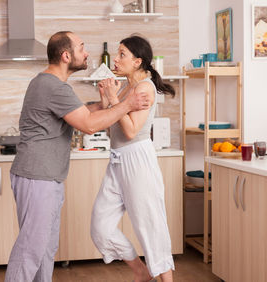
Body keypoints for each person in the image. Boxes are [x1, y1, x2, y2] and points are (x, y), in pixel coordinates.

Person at [4, 31, 151, 282]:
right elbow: (89, 124)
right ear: (66, 55)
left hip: (46, 178)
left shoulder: (53, 84)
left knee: (45, 249)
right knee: (31, 249)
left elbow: (83, 111)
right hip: (38, 177)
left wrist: (107, 101)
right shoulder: (51, 85)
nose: (86, 53)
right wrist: (127, 105)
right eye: (81, 48)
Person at [90, 35, 176, 282]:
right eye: (116, 54)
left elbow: (130, 132)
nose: (115, 60)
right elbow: (114, 130)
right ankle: (141, 272)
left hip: (138, 162)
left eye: (122, 55)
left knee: (151, 228)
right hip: (117, 161)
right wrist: (108, 101)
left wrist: (115, 100)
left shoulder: (144, 89)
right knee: (100, 227)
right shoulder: (128, 88)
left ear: (138, 61)